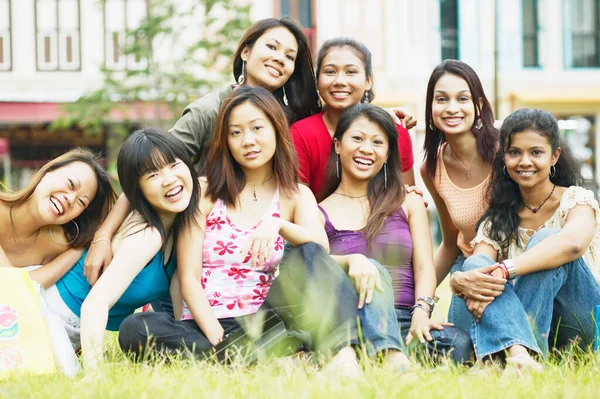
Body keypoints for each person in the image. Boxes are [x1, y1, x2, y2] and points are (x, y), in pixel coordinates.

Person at [118, 87, 405, 375]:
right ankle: (265, 360)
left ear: (276, 130)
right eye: (236, 133)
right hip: (209, 324)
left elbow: (319, 251)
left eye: (257, 128)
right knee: (135, 329)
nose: (248, 141)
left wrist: (279, 224)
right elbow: (189, 278)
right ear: (226, 140)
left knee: (305, 254)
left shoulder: (296, 194)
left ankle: (338, 358)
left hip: (266, 319)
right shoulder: (205, 191)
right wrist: (219, 340)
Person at [83, 17, 321, 287]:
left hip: (260, 260)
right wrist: (103, 236)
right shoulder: (208, 111)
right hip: (198, 250)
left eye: (290, 57)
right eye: (272, 47)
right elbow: (150, 170)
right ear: (246, 51)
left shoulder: (289, 122)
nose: (281, 59)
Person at [319, 103, 473, 364]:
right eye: (357, 138)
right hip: (352, 321)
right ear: (337, 145)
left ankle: (383, 355)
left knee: (458, 344)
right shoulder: (319, 212)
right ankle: (380, 356)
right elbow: (314, 267)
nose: (367, 149)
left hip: (404, 318)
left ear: (388, 152)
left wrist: (421, 314)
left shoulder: (407, 201)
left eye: (378, 142)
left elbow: (425, 268)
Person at [40, 128, 200, 374]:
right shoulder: (147, 234)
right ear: (139, 191)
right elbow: (95, 304)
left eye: (173, 165)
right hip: (49, 314)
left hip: (71, 328)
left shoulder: (179, 229)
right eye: (154, 174)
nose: (169, 179)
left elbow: (180, 314)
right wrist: (95, 376)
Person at [457, 108, 600, 370]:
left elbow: (573, 244)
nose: (525, 161)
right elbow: (476, 267)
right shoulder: (499, 217)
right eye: (514, 152)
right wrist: (461, 280)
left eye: (536, 152)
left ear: (554, 156)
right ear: (504, 158)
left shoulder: (576, 200)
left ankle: (511, 355)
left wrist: (505, 269)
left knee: (547, 241)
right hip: (522, 321)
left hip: (584, 323)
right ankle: (520, 355)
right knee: (475, 264)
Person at [419, 60, 506, 329]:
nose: (452, 108)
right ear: (431, 107)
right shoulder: (431, 169)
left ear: (478, 105)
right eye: (441, 99)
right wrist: (420, 304)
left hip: (518, 265)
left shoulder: (506, 146)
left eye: (462, 98)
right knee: (457, 349)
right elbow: (449, 243)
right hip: (471, 270)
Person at [290, 37, 415, 201]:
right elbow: (296, 205)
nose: (340, 81)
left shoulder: (394, 130)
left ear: (368, 81)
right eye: (330, 72)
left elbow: (408, 197)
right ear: (317, 81)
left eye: (351, 72)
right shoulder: (301, 134)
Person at [0, 149, 115, 287]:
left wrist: (96, 240)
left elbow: (25, 288)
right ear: (48, 171)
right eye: (71, 184)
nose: (71, 199)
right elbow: (10, 285)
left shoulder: (57, 244)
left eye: (81, 202)